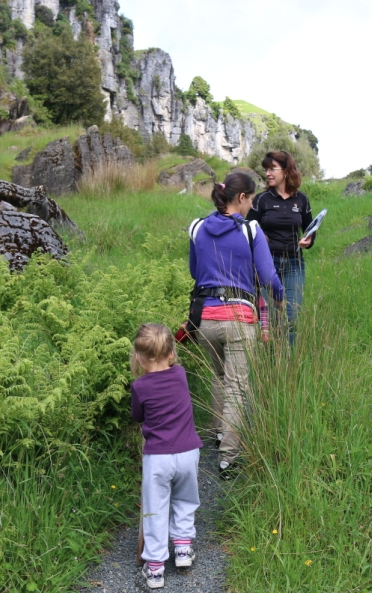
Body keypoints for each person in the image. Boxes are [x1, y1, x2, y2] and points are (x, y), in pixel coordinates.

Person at [189, 172, 284, 478]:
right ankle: (228, 458)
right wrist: (280, 299)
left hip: (204, 320)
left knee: (218, 376)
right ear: (241, 197)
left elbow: (195, 271)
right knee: (237, 385)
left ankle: (219, 433)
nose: (252, 204)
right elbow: (269, 279)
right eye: (252, 198)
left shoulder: (197, 227)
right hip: (239, 319)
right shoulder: (251, 230)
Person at [130, 323, 204, 590]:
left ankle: (155, 568)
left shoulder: (139, 386)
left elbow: (138, 416)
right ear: (172, 354)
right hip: (188, 453)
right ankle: (183, 550)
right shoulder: (181, 374)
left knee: (155, 509)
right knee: (185, 499)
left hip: (158, 458)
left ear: (138, 357)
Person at [246, 151, 316, 345]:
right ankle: (271, 364)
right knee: (271, 321)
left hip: (294, 264)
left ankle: (288, 364)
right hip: (268, 265)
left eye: (272, 169)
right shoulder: (261, 200)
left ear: (286, 171)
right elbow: (247, 230)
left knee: (291, 318)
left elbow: (310, 229)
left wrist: (308, 240)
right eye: (266, 169)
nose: (268, 173)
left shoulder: (301, 200)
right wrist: (261, 240)